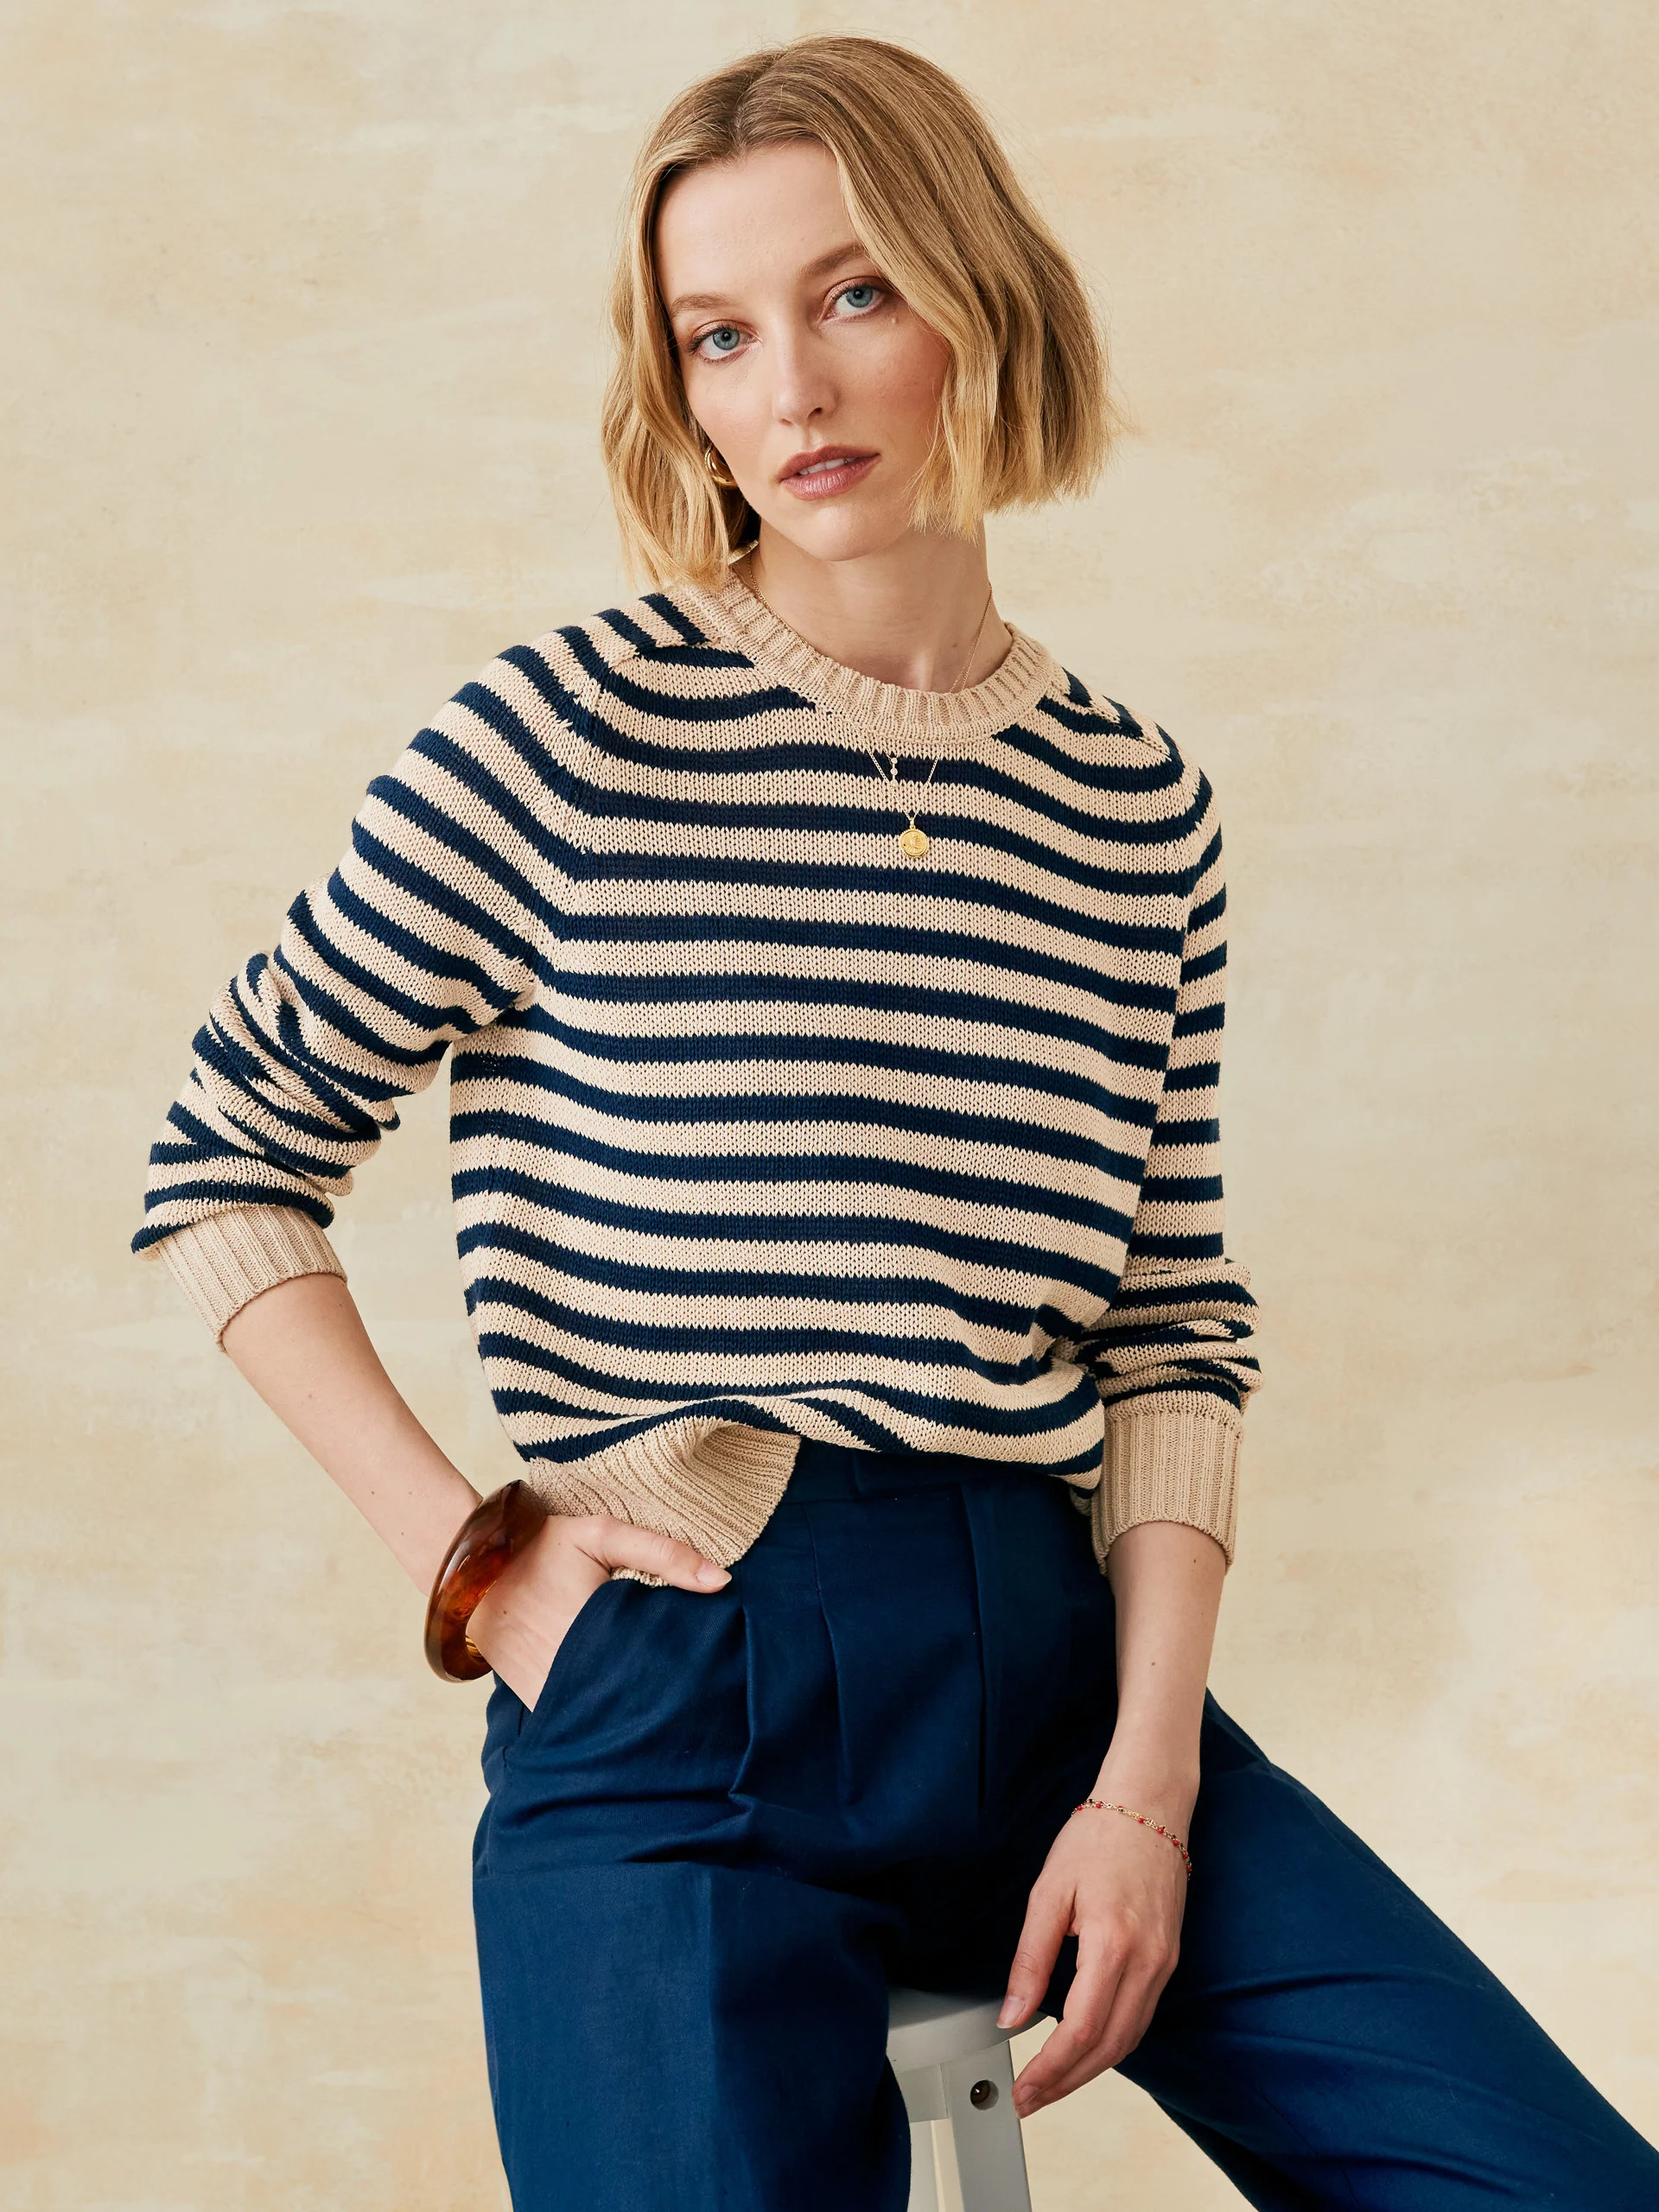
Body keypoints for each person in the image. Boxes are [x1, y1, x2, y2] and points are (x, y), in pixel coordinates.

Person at [134, 34, 1659, 2212]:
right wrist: (485, 1567)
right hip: (688, 1690)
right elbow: (226, 1156)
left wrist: (1145, 1786)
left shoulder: (1132, 806)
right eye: (718, 334)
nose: (793, 390)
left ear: (980, 297)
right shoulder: (565, 733)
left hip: (1057, 1670)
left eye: (854, 294)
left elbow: (1169, 1325)